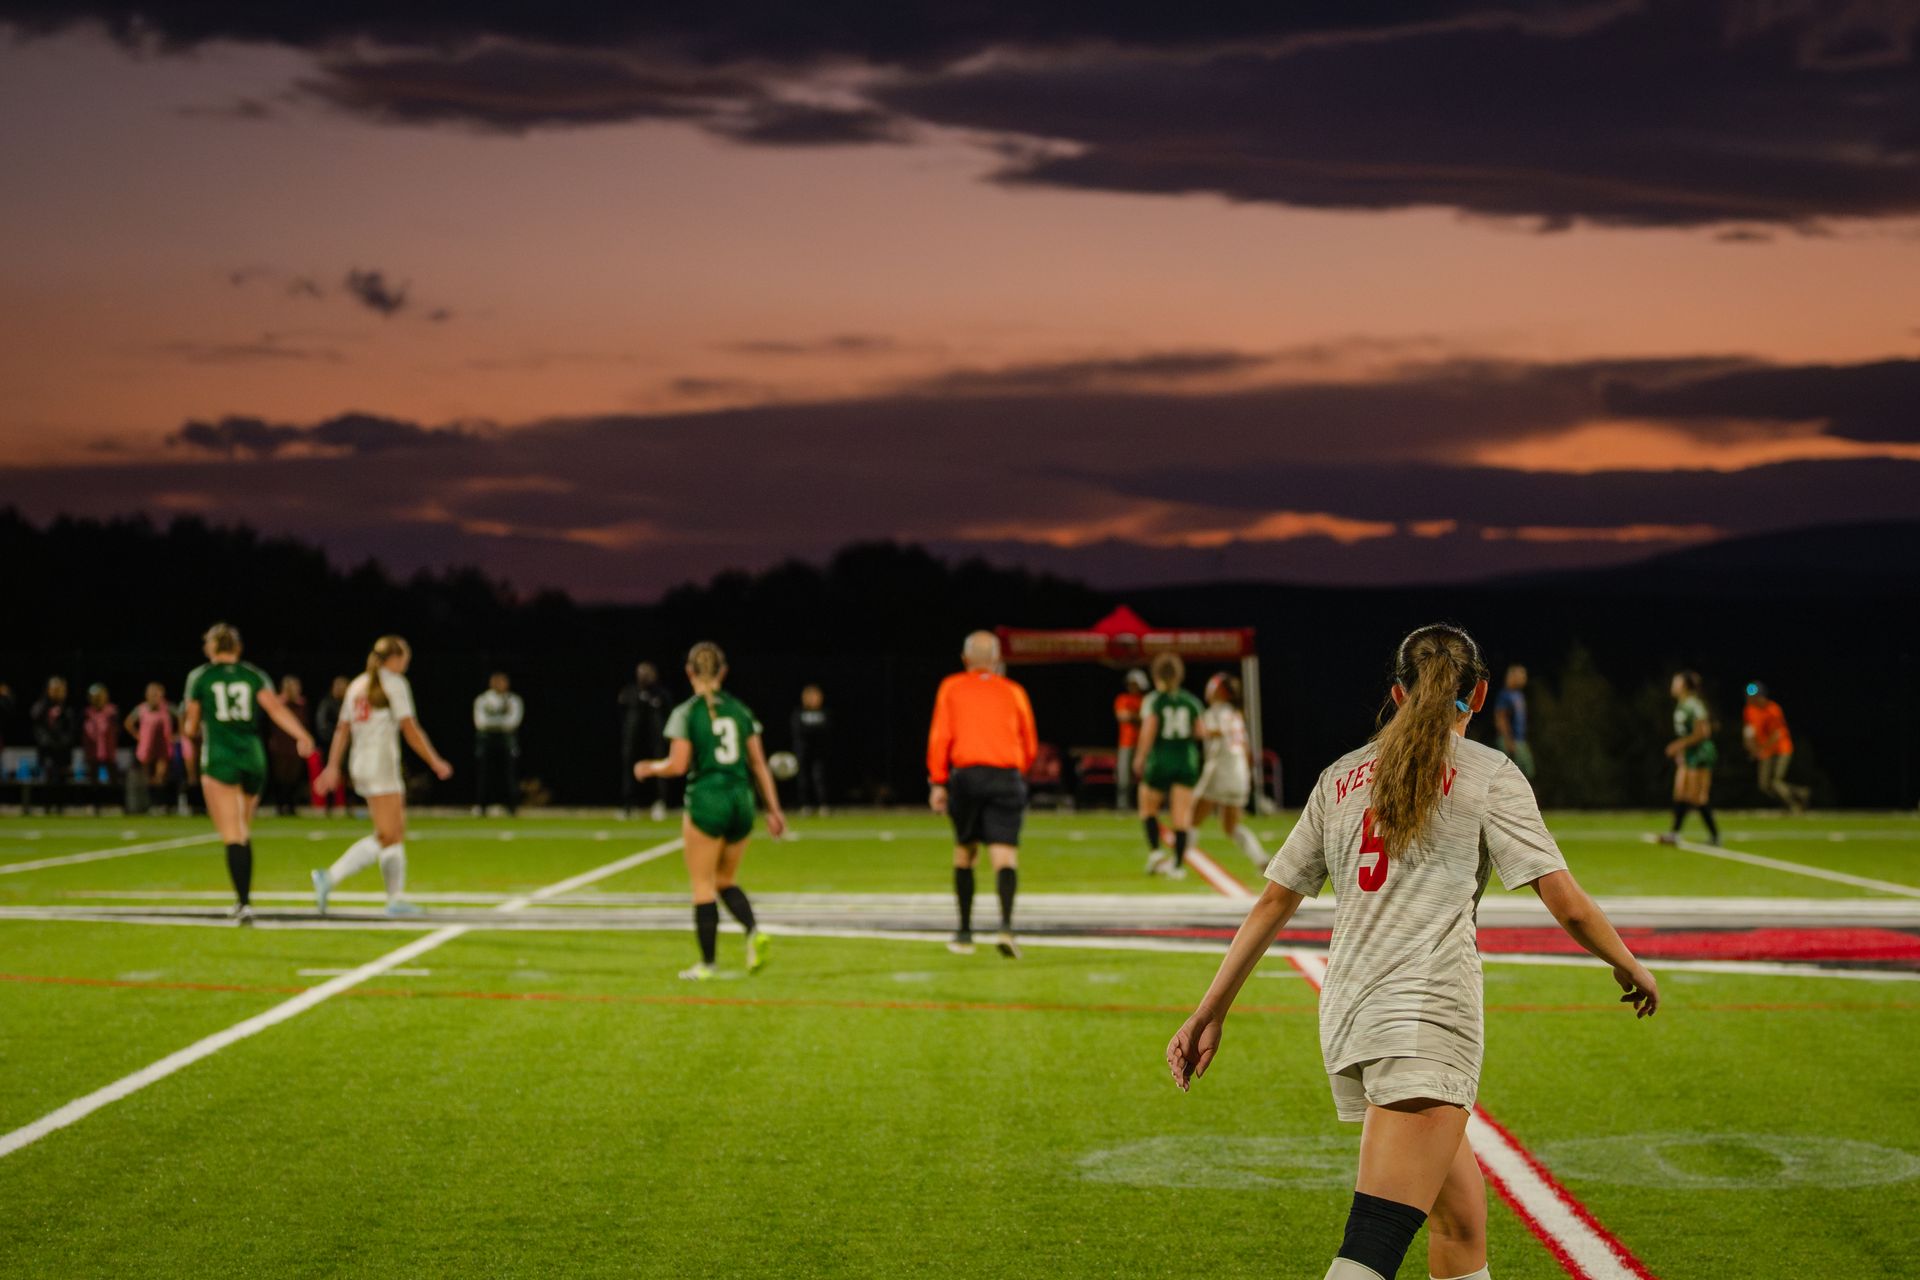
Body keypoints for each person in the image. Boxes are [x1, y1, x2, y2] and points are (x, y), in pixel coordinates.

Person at [1166, 624, 1659, 1280]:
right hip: (1425, 1017)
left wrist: (1209, 1011)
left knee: (1459, 1225)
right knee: (1372, 1245)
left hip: (1353, 1014)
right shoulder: (1488, 773)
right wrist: (1628, 963)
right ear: (1478, 693)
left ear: (1398, 693)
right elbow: (1564, 900)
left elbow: (1273, 904)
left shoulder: (1341, 777)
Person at [632, 642, 785, 980]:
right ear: (723, 672)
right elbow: (759, 764)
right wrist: (774, 810)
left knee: (702, 885)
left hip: (707, 800)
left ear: (689, 672)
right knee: (725, 879)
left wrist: (649, 768)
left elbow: (678, 764)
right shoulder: (741, 710)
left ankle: (708, 964)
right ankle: (752, 931)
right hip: (741, 801)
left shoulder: (687, 712)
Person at [180, 624, 315, 923]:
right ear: (237, 648)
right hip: (254, 757)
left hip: (221, 758)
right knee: (243, 828)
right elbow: (277, 711)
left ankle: (244, 903)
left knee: (233, 835)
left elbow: (190, 727)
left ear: (211, 648)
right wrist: (302, 735)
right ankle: (243, 900)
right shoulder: (254, 675)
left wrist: (190, 727)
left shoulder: (200, 676)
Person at [312, 636, 453, 917]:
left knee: (395, 831)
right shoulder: (395, 683)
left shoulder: (356, 684)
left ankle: (395, 898)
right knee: (388, 833)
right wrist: (435, 760)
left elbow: (342, 730)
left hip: (361, 764)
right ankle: (330, 876)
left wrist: (332, 766)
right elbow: (410, 729)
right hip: (381, 765)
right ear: (395, 658)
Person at [926, 631, 1037, 958]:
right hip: (1005, 775)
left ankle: (963, 933)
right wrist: (1016, 772)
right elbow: (1029, 743)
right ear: (997, 660)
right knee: (1004, 856)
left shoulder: (951, 687)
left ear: (965, 660)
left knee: (965, 853)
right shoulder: (1014, 691)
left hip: (967, 777)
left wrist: (938, 781)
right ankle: (1005, 927)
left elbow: (940, 736)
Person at [1137, 653, 1205, 879]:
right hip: (1186, 759)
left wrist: (1140, 757)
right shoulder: (1190, 701)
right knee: (1181, 815)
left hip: (1161, 759)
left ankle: (1156, 852)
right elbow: (1199, 732)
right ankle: (1177, 865)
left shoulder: (1154, 700)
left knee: (1147, 806)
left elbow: (1149, 730)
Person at [1193, 673, 1268, 869]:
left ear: (1221, 691)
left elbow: (1206, 732)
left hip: (1220, 770)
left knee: (1191, 818)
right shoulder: (1236, 715)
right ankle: (1261, 859)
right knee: (1231, 827)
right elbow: (1246, 750)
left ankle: (1177, 863)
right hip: (1239, 774)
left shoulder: (1217, 712)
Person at [1660, 670, 1720, 845]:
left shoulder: (1694, 705)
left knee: (1697, 797)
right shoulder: (1682, 704)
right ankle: (1674, 834)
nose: (1673, 686)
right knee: (1680, 793)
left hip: (1701, 754)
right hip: (1689, 753)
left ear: (1684, 686)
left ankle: (1715, 836)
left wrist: (1678, 746)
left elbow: (1703, 733)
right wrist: (1681, 751)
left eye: (1676, 683)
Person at [1743, 682, 1810, 814]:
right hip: (1765, 750)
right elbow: (1748, 732)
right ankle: (1801, 792)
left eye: (1754, 696)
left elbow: (1777, 734)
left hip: (1781, 748)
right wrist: (1751, 748)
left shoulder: (1773, 709)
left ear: (1761, 696)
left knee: (1776, 782)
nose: (1750, 699)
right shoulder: (1749, 710)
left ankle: (1794, 806)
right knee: (1763, 785)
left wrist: (1760, 749)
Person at [619, 662, 670, 819]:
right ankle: (628, 805)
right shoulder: (630, 692)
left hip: (655, 743)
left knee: (661, 768)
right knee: (629, 769)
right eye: (642, 673)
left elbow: (669, 711)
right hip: (633, 742)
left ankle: (660, 803)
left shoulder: (661, 694)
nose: (645, 676)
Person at [472, 671, 524, 816]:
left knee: (509, 775)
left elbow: (512, 723)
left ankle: (512, 806)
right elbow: (480, 723)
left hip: (506, 742)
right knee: (484, 775)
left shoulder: (513, 700)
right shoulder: (483, 700)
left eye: (502, 681)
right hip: (487, 741)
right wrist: (500, 723)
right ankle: (481, 806)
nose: (499, 684)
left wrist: (494, 723)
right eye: (496, 681)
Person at [30, 677, 79, 814]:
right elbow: (38, 729)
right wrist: (49, 742)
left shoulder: (67, 708)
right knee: (48, 778)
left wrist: (63, 742)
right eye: (55, 689)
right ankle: (47, 807)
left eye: (61, 690)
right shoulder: (41, 706)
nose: (59, 693)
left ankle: (60, 807)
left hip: (63, 750)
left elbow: (71, 729)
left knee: (62, 779)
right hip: (47, 751)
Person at [125, 682, 176, 810]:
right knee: (147, 777)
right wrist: (137, 735)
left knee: (161, 775)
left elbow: (180, 716)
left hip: (163, 747)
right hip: (146, 748)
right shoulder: (141, 709)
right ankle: (149, 804)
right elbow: (128, 723)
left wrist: (178, 734)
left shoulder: (167, 708)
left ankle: (161, 804)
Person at [266, 674, 311, 816]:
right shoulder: (277, 704)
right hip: (280, 744)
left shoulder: (301, 704)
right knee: (280, 776)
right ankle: (281, 805)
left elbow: (305, 723)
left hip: (295, 745)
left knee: (294, 776)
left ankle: (291, 805)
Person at [790, 684, 832, 815]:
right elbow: (797, 731)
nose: (812, 699)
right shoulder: (799, 713)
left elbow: (827, 730)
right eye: (809, 696)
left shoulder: (825, 712)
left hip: (819, 752)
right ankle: (804, 805)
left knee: (819, 777)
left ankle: (823, 804)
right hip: (802, 751)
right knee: (803, 778)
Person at [312, 676, 349, 814]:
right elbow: (322, 725)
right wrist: (333, 738)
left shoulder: (348, 703)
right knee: (330, 774)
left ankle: (346, 804)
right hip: (330, 745)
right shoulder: (327, 703)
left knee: (345, 776)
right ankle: (328, 805)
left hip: (347, 746)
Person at [1491, 664, 1535, 780]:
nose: (1524, 679)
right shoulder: (1505, 695)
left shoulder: (1519, 695)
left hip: (1520, 740)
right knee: (1513, 775)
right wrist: (1508, 740)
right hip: (1511, 740)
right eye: (1521, 675)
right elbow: (1501, 718)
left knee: (1527, 772)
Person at [81, 683, 121, 808]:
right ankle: (95, 805)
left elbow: (117, 730)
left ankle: (114, 804)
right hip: (92, 751)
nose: (98, 699)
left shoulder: (112, 711)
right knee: (93, 781)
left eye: (100, 695)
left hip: (108, 750)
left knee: (113, 780)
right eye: (95, 696)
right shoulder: (87, 712)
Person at [1114, 669, 1149, 809]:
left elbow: (1148, 720)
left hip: (1143, 744)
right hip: (1126, 744)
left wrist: (1133, 717)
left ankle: (1146, 807)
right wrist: (1138, 717)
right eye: (1130, 684)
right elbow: (1123, 716)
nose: (1132, 687)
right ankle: (1123, 807)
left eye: (1135, 684)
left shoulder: (1146, 700)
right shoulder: (1123, 699)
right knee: (1124, 778)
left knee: (1146, 778)